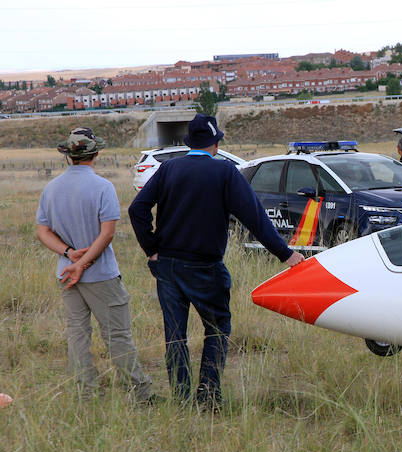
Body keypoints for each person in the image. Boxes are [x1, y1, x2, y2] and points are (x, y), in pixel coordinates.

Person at [129, 114, 303, 410]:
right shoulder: (225, 172)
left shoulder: (169, 168)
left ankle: (182, 401)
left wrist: (152, 248)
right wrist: (286, 254)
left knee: (175, 336)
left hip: (168, 265)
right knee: (217, 329)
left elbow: (138, 209)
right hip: (205, 267)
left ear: (190, 143)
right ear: (216, 143)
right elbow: (255, 219)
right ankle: (208, 398)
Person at [36, 127, 154, 402]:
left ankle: (84, 392)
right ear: (96, 153)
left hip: (66, 274)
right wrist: (84, 262)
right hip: (100, 275)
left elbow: (43, 231)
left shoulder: (51, 188)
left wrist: (69, 255)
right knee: (118, 335)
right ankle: (139, 393)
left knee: (77, 334)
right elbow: (107, 233)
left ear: (68, 156)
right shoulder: (103, 187)